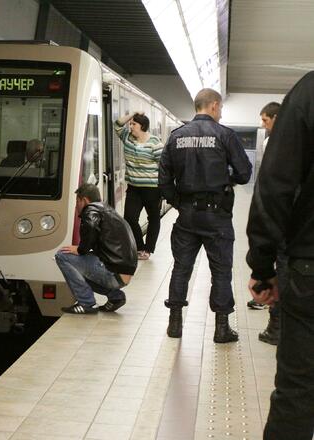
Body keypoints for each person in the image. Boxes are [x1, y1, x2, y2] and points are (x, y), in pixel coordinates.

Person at [246, 72, 314, 440]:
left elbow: (274, 186)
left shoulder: (309, 92)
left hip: (309, 268)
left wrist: (263, 266)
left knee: (299, 390)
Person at [159, 88, 252, 343]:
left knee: (181, 268)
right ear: (213, 105)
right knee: (221, 271)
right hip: (217, 216)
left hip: (187, 215)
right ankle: (221, 329)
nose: (220, 113)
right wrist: (224, 179)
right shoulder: (225, 135)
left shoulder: (176, 136)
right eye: (220, 108)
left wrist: (178, 203)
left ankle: (174, 324)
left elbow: (164, 179)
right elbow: (245, 173)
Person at [55, 183, 137, 314]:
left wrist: (80, 249)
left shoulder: (91, 210)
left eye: (77, 201)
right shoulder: (108, 210)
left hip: (113, 273)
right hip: (121, 274)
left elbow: (91, 226)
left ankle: (85, 302)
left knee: (62, 256)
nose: (76, 206)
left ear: (85, 200)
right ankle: (115, 296)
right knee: (78, 267)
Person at [247, 102, 283, 346]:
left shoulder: (279, 144)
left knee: (282, 273)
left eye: (266, 120)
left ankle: (276, 327)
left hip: (284, 228)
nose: (263, 125)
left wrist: (260, 270)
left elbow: (272, 196)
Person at [115, 112, 164, 260]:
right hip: (134, 188)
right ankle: (139, 247)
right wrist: (132, 115)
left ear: (142, 126)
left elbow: (164, 166)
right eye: (130, 124)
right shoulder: (127, 138)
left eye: (133, 124)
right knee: (129, 217)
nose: (130, 126)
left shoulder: (155, 143)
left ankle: (148, 250)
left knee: (154, 218)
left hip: (152, 189)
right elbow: (117, 125)